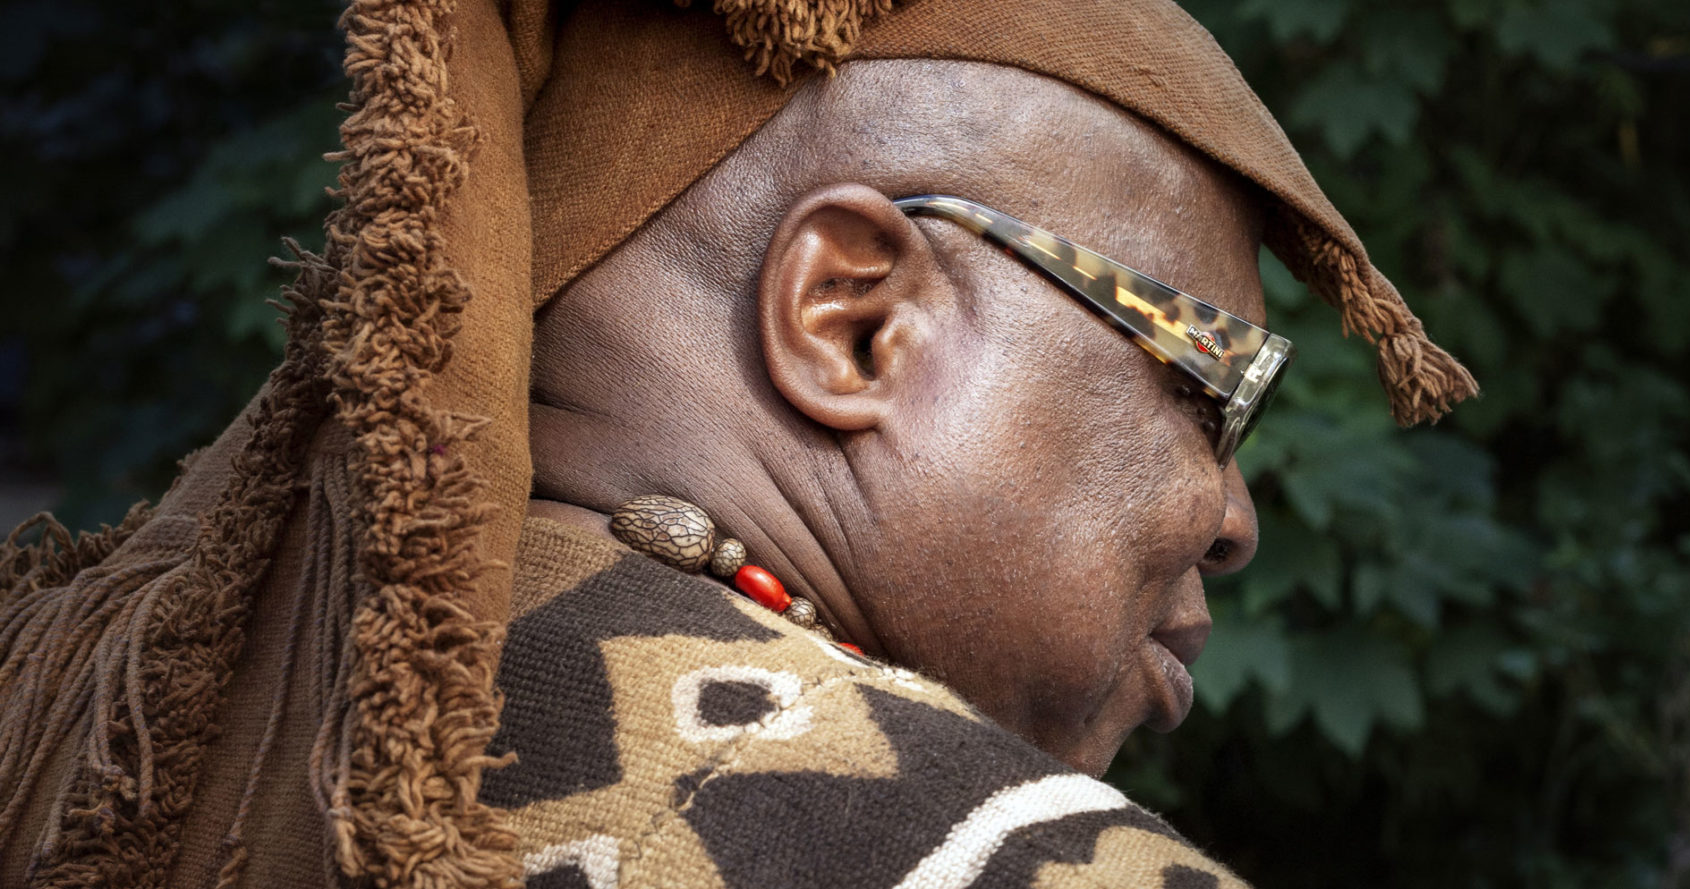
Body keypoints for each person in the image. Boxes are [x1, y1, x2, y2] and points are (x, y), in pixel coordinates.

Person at [0, 0, 1476, 887]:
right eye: (1210, 384)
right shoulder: (988, 854)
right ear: (852, 318)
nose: (1236, 512)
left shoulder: (163, 751)